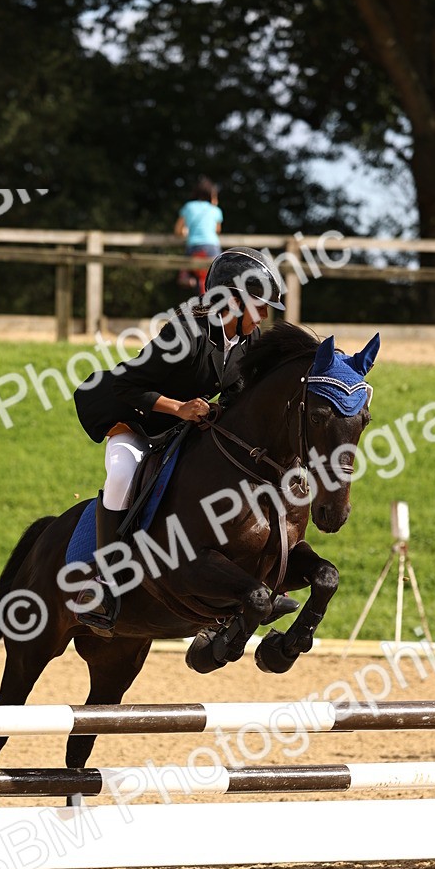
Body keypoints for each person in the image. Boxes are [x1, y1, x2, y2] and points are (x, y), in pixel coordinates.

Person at [72, 247, 286, 632]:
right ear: (233, 301)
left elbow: (238, 392)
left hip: (181, 429)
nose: (265, 315)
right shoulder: (185, 332)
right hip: (136, 419)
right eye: (260, 305)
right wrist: (180, 408)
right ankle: (100, 581)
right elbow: (126, 385)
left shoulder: (247, 341)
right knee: (121, 472)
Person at [174, 177, 222, 294]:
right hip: (212, 247)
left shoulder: (188, 207)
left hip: (194, 247)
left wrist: (185, 231)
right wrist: (214, 204)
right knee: (217, 275)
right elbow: (217, 230)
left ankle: (188, 278)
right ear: (211, 195)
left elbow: (177, 230)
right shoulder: (215, 209)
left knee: (185, 274)